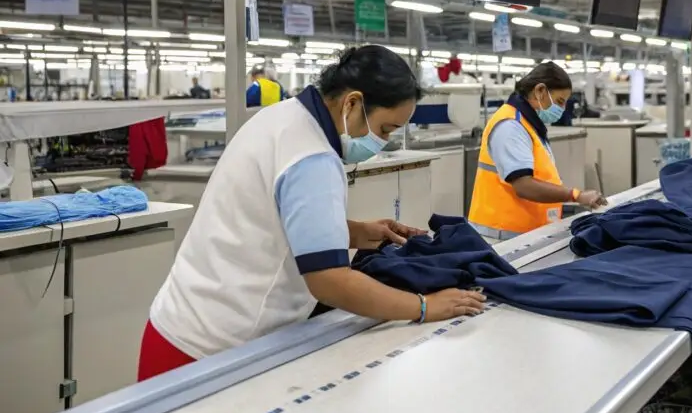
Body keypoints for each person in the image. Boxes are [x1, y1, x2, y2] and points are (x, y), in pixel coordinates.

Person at [139, 45, 485, 381]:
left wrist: (349, 231)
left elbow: (268, 217)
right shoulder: (312, 157)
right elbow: (330, 282)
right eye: (384, 130)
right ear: (352, 103)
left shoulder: (284, 117)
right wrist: (424, 306)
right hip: (209, 353)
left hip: (178, 327)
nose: (382, 142)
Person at [469, 62, 605, 241]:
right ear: (540, 91)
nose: (562, 110)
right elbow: (524, 185)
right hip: (501, 237)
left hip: (525, 234)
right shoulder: (511, 126)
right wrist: (576, 195)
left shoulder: (529, 125)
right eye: (559, 101)